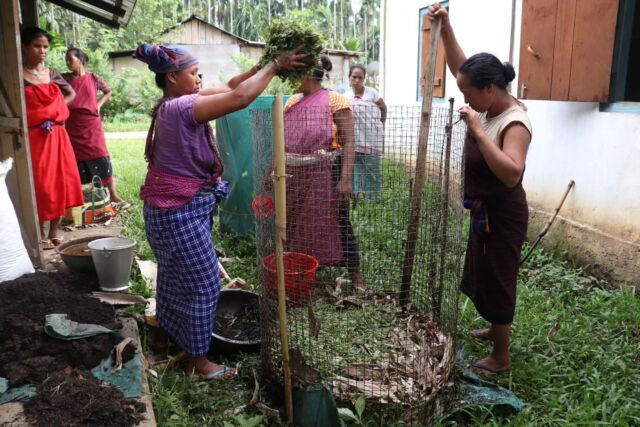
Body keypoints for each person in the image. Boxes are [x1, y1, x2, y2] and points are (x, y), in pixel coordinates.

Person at [134, 44, 306, 380]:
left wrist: (262, 65)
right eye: (194, 73)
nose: (200, 79)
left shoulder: (174, 104)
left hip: (171, 209)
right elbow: (240, 98)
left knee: (172, 276)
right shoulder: (183, 107)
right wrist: (275, 64)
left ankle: (166, 332)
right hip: (176, 213)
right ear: (172, 76)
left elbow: (230, 87)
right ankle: (199, 362)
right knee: (205, 283)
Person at [428, 4, 532, 374]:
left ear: (489, 88)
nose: (466, 100)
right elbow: (461, 69)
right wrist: (446, 25)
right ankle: (494, 328)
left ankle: (501, 357)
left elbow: (510, 174)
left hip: (503, 215)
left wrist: (475, 130)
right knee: (484, 272)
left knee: (499, 276)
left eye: (470, 94)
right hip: (484, 212)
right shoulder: (489, 101)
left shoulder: (513, 121)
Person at [283, 55, 365, 290]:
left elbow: (349, 142)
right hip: (296, 173)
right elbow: (281, 143)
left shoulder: (336, 101)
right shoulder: (291, 102)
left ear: (307, 74)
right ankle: (306, 263)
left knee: (339, 221)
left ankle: (354, 271)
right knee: (298, 218)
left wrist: (345, 180)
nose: (291, 79)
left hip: (329, 171)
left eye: (294, 74)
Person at [21, 27, 84, 250]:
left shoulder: (53, 73)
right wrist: (42, 116)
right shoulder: (18, 75)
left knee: (61, 181)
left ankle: (54, 231)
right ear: (25, 47)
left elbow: (71, 95)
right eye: (37, 46)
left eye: (45, 47)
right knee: (40, 184)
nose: (42, 51)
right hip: (34, 136)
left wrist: (53, 113)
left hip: (56, 134)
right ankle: (39, 234)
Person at [63, 47, 128, 208]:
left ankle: (113, 195)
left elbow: (108, 91)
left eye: (70, 58)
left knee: (101, 155)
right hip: (73, 125)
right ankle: (81, 199)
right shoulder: (64, 79)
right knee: (76, 160)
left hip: (92, 125)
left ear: (81, 60)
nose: (67, 62)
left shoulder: (93, 78)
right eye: (66, 59)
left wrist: (98, 105)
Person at [344, 64, 387, 201]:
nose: (357, 80)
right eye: (354, 77)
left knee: (371, 168)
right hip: (354, 139)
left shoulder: (372, 93)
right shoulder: (345, 96)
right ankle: (357, 197)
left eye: (360, 77)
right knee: (356, 169)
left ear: (364, 79)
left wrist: (381, 123)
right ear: (349, 78)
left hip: (371, 137)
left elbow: (383, 107)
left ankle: (372, 199)